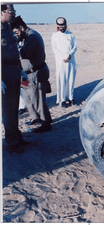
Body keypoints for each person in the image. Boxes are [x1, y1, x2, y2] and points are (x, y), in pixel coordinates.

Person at [11, 15, 52, 132]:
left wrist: (14, 44)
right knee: (28, 98)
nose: (17, 34)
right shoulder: (24, 36)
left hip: (35, 73)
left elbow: (23, 54)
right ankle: (35, 118)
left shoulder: (32, 37)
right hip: (26, 74)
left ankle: (45, 123)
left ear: (22, 27)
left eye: (17, 32)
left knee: (37, 99)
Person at [1, 4, 30, 152]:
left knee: (14, 107)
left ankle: (17, 137)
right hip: (4, 74)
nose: (13, 14)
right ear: (2, 12)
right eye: (11, 12)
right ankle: (12, 143)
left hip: (14, 71)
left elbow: (14, 52)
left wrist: (21, 71)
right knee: (7, 109)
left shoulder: (8, 27)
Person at [51, 17, 77, 108]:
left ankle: (70, 98)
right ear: (57, 26)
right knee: (61, 80)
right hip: (61, 62)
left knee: (71, 80)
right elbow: (55, 49)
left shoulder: (71, 34)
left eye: (63, 26)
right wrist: (64, 56)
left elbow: (75, 47)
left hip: (71, 61)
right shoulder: (54, 35)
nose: (62, 28)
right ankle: (61, 100)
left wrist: (69, 55)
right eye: (60, 26)